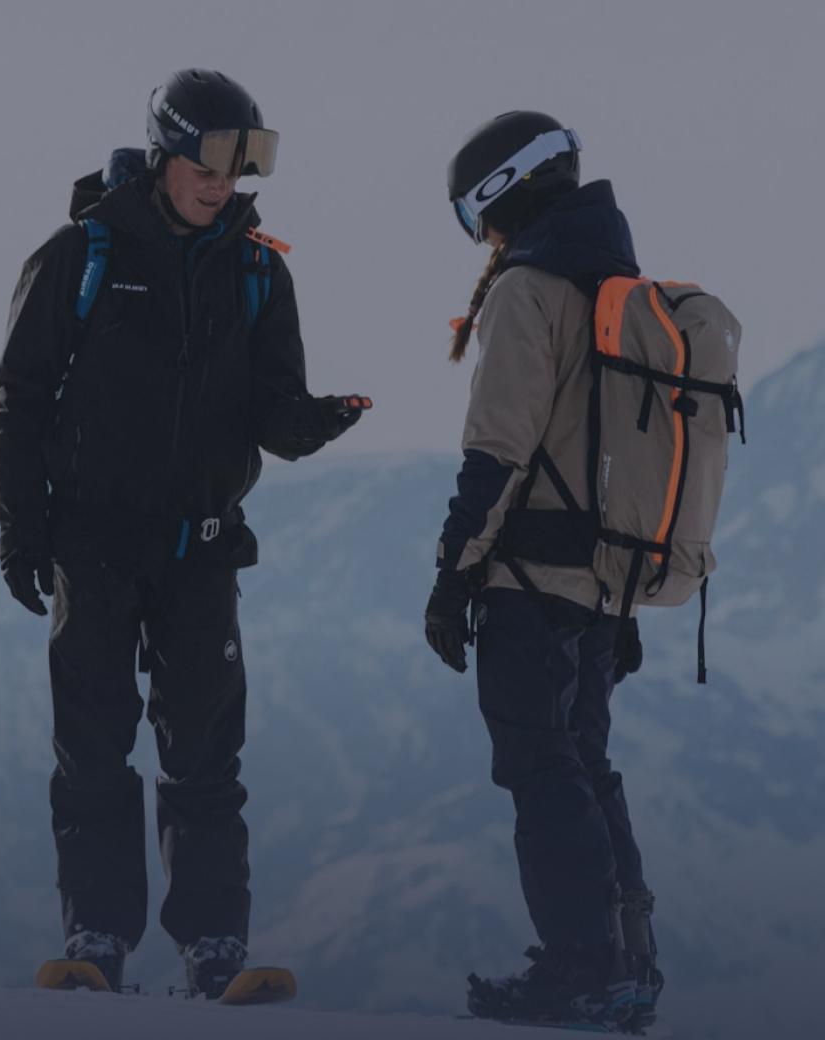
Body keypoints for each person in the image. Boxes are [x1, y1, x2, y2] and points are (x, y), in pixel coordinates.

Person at [0, 67, 367, 997]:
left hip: (202, 550)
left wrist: (311, 424)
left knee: (205, 762)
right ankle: (95, 941)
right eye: (208, 165)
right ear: (165, 155)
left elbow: (273, 412)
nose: (223, 185)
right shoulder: (80, 254)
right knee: (93, 754)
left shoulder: (259, 271)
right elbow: (19, 398)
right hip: (92, 547)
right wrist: (21, 529)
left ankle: (214, 949)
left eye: (238, 169)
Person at [424, 111, 662, 1031]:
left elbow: (498, 451)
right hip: (603, 582)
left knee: (539, 767)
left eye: (473, 215)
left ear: (505, 190)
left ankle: (580, 971)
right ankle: (629, 967)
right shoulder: (620, 287)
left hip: (530, 579)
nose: (480, 236)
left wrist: (453, 575)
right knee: (586, 764)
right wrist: (623, 602)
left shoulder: (530, 288)